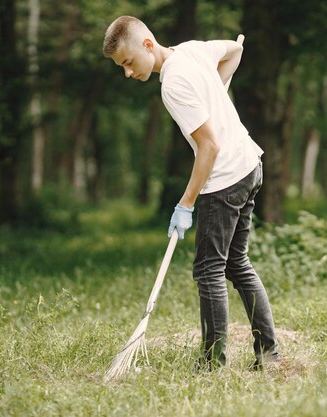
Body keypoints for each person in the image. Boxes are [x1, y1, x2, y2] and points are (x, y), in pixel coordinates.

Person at [103, 16, 279, 370]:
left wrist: (185, 204)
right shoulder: (193, 51)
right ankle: (269, 354)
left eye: (128, 62)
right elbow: (235, 48)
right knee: (236, 263)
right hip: (249, 164)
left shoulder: (172, 86)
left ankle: (213, 363)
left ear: (148, 44)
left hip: (226, 178)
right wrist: (216, 89)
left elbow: (209, 148)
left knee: (209, 269)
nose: (127, 73)